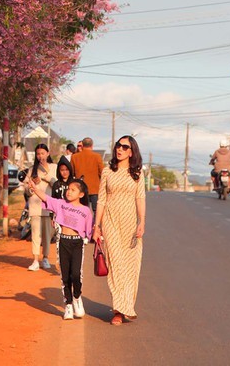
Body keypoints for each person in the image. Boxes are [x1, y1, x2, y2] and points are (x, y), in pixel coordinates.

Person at [92, 136, 146, 325]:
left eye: (124, 147)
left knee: (130, 266)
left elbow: (140, 198)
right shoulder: (108, 171)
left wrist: (142, 222)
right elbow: (101, 200)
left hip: (130, 224)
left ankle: (126, 306)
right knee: (115, 264)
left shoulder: (137, 173)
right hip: (111, 221)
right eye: (118, 146)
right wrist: (97, 226)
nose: (120, 149)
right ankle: (118, 310)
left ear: (131, 152)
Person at [28, 175, 93, 320]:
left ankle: (77, 297)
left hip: (77, 243)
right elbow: (45, 198)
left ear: (81, 194)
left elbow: (89, 230)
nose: (69, 192)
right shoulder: (60, 204)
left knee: (76, 274)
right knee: (65, 276)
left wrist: (93, 236)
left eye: (73, 190)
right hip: (63, 242)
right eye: (68, 189)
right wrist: (35, 188)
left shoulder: (85, 211)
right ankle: (68, 305)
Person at [24, 143, 57, 271]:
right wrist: (31, 186)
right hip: (35, 206)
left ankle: (46, 258)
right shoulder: (31, 170)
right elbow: (27, 191)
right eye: (38, 154)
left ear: (48, 154)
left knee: (47, 235)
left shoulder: (54, 168)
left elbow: (57, 184)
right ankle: (35, 260)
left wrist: (45, 176)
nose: (40, 156)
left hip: (48, 206)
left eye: (43, 153)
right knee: (35, 234)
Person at [71, 136, 104, 212]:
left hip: (81, 188)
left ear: (82, 145)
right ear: (92, 146)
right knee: (96, 211)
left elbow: (72, 172)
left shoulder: (74, 157)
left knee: (82, 210)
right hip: (95, 189)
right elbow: (102, 172)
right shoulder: (97, 157)